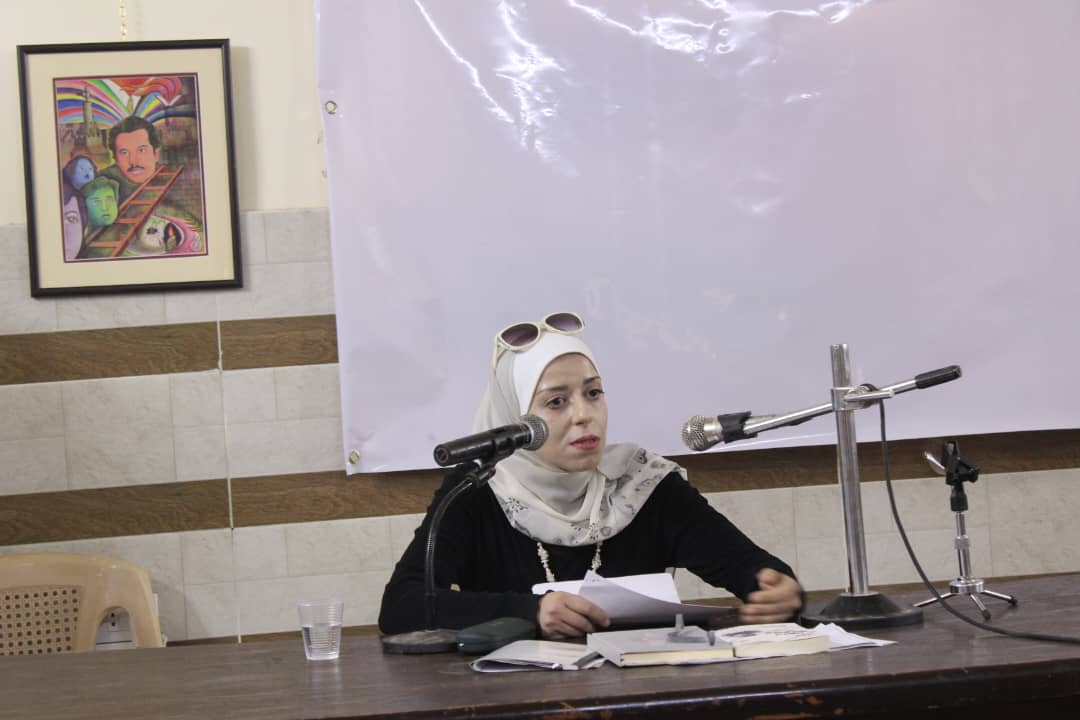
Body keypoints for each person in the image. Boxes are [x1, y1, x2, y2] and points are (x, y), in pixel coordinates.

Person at [378, 312, 803, 639]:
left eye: (593, 393)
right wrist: (530, 612)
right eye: (556, 402)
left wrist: (777, 589)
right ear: (514, 416)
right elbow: (403, 606)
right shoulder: (477, 488)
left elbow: (753, 570)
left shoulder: (642, 481)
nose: (584, 415)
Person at [99, 115, 162, 201]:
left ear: (156, 154)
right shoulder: (101, 182)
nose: (133, 161)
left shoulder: (176, 183)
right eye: (124, 153)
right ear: (115, 159)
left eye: (141, 150)